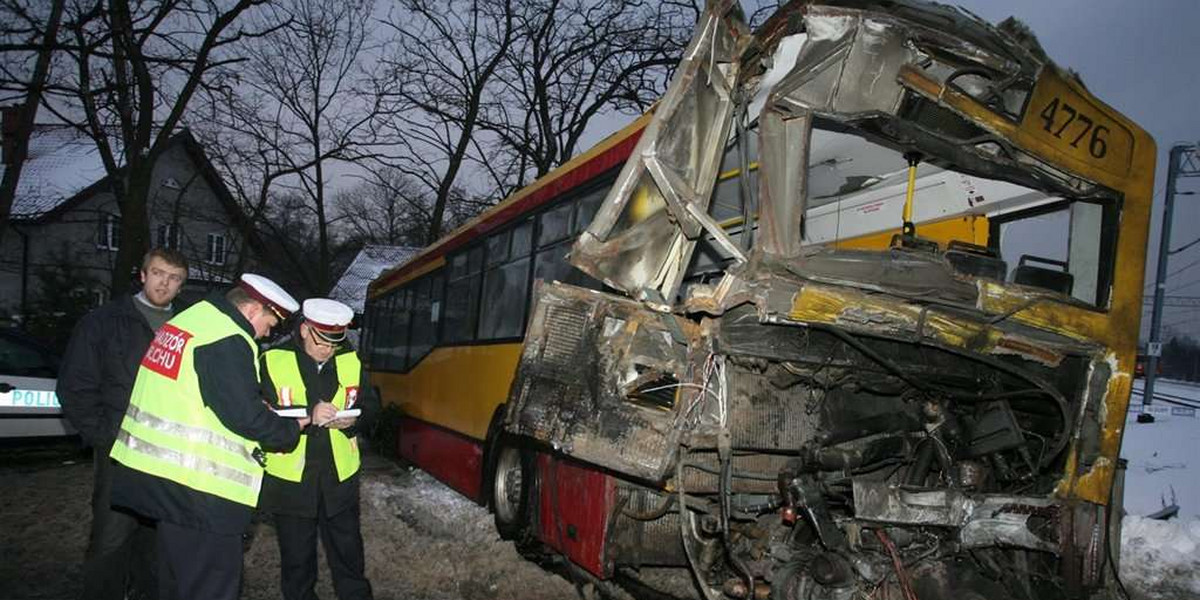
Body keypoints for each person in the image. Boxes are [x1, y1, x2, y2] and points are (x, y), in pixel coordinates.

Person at [108, 273, 310, 600]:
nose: (269, 331)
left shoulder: (191, 322)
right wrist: (289, 429)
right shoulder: (227, 336)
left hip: (164, 480)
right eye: (270, 322)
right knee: (211, 588)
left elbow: (199, 395)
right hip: (200, 491)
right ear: (253, 311)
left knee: (176, 584)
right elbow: (244, 416)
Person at [58, 247, 189, 600]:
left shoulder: (186, 329)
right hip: (120, 449)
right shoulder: (104, 321)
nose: (165, 283)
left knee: (159, 541)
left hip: (169, 453)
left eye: (174, 278)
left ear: (182, 285)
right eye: (159, 273)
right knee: (111, 539)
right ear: (143, 275)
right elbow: (75, 386)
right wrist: (105, 437)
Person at [259, 298, 378, 600]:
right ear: (304, 329)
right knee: (297, 564)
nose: (328, 349)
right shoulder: (271, 360)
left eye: (334, 342)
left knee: (350, 557)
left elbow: (372, 408)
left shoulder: (350, 359)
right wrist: (309, 414)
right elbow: (258, 417)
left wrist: (351, 423)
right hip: (292, 483)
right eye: (322, 341)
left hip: (340, 479)